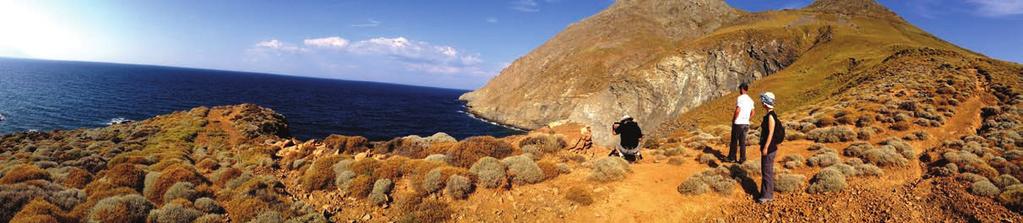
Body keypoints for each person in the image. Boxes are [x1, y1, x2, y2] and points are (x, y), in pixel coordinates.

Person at [758, 92, 785, 203]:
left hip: (769, 149)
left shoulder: (770, 116)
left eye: (763, 100)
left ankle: (767, 196)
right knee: (766, 171)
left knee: (767, 171)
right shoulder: (771, 115)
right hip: (771, 148)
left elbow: (771, 133)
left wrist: (766, 147)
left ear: (766, 102)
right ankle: (766, 193)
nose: (761, 102)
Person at [727, 83, 755, 163]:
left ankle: (732, 158)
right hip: (746, 123)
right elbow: (753, 112)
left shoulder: (740, 98)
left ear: (742, 89)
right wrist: (747, 118)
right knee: (742, 142)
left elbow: (738, 110)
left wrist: (734, 119)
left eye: (740, 89)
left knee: (734, 141)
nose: (739, 90)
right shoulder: (750, 100)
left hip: (738, 123)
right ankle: (743, 159)